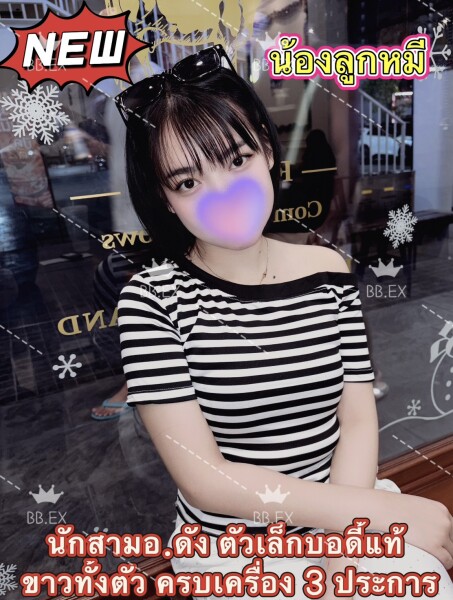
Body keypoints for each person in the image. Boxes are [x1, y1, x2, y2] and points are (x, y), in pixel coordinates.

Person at [115, 45, 453, 599]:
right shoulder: (152, 300)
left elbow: (356, 418)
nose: (224, 193)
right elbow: (205, 478)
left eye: (236, 159)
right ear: (165, 198)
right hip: (232, 548)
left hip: (343, 510)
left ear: (267, 150)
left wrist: (344, 538)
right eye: (187, 182)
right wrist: (359, 523)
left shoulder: (328, 270)